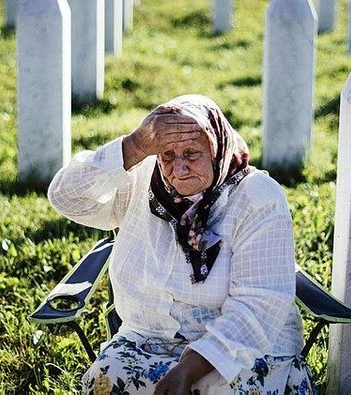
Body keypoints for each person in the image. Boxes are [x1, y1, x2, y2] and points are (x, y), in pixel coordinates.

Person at [47, 94, 314, 394]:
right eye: (168, 155)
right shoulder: (142, 180)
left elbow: (258, 305)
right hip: (146, 341)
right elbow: (65, 197)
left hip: (239, 351)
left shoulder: (257, 197)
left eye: (192, 153)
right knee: (111, 379)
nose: (180, 168)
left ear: (217, 150)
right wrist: (134, 146)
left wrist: (189, 368)